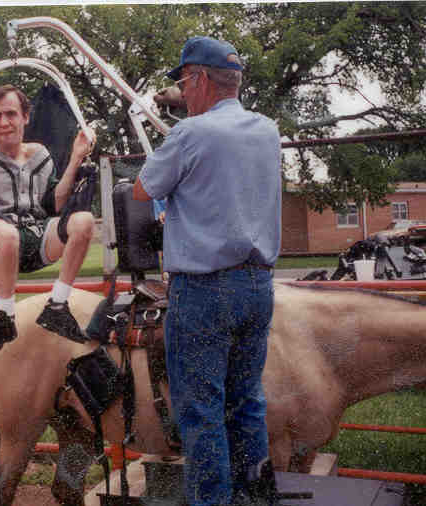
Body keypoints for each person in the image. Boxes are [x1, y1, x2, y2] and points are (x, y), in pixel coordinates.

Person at [133, 37, 282, 506]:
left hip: (204, 290)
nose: (181, 92)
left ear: (199, 78)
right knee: (247, 402)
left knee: (201, 412)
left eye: (183, 82)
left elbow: (142, 189)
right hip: (257, 286)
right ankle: (253, 497)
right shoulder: (267, 130)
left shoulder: (190, 134)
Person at [0, 84, 97, 355]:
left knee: (84, 221)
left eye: (11, 114)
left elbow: (56, 203)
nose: (4, 122)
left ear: (25, 117)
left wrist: (76, 159)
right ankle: (5, 317)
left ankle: (58, 305)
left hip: (38, 240)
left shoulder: (41, 154)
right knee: (9, 235)